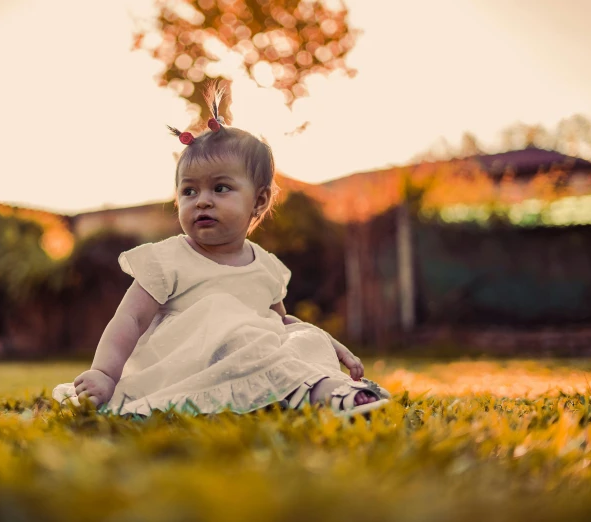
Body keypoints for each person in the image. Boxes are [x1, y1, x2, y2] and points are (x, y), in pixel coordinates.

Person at [52, 85, 390, 418]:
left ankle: (336, 391)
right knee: (225, 315)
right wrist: (106, 373)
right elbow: (129, 318)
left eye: (220, 187)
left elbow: (278, 322)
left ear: (258, 201)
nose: (202, 200)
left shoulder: (267, 268)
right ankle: (308, 392)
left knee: (300, 336)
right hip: (188, 371)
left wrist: (327, 342)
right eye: (189, 190)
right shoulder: (168, 260)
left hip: (252, 362)